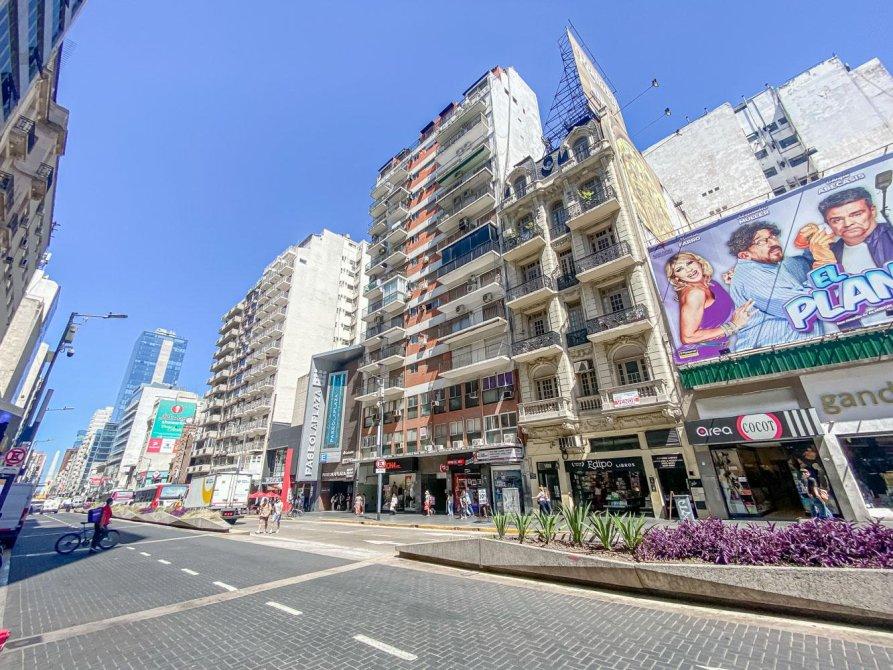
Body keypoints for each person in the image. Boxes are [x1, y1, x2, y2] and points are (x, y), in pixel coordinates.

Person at [798, 187, 893, 327]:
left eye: (856, 214)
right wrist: (825, 264)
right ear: (828, 225)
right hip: (862, 335)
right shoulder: (829, 254)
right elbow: (827, 304)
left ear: (872, 211)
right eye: (837, 220)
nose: (848, 224)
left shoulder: (890, 235)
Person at [727, 222, 828, 351]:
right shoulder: (751, 277)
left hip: (799, 351)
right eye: (761, 242)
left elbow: (806, 265)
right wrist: (824, 264)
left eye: (772, 236)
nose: (773, 243)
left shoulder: (775, 263)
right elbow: (804, 307)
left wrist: (810, 243)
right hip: (772, 357)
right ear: (745, 255)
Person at [665, 251, 754, 358]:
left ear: (698, 262)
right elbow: (687, 337)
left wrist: (735, 283)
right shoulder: (694, 294)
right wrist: (733, 326)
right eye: (679, 269)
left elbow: (720, 310)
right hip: (700, 356)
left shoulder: (710, 283)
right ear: (676, 278)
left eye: (689, 263)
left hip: (718, 350)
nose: (689, 270)